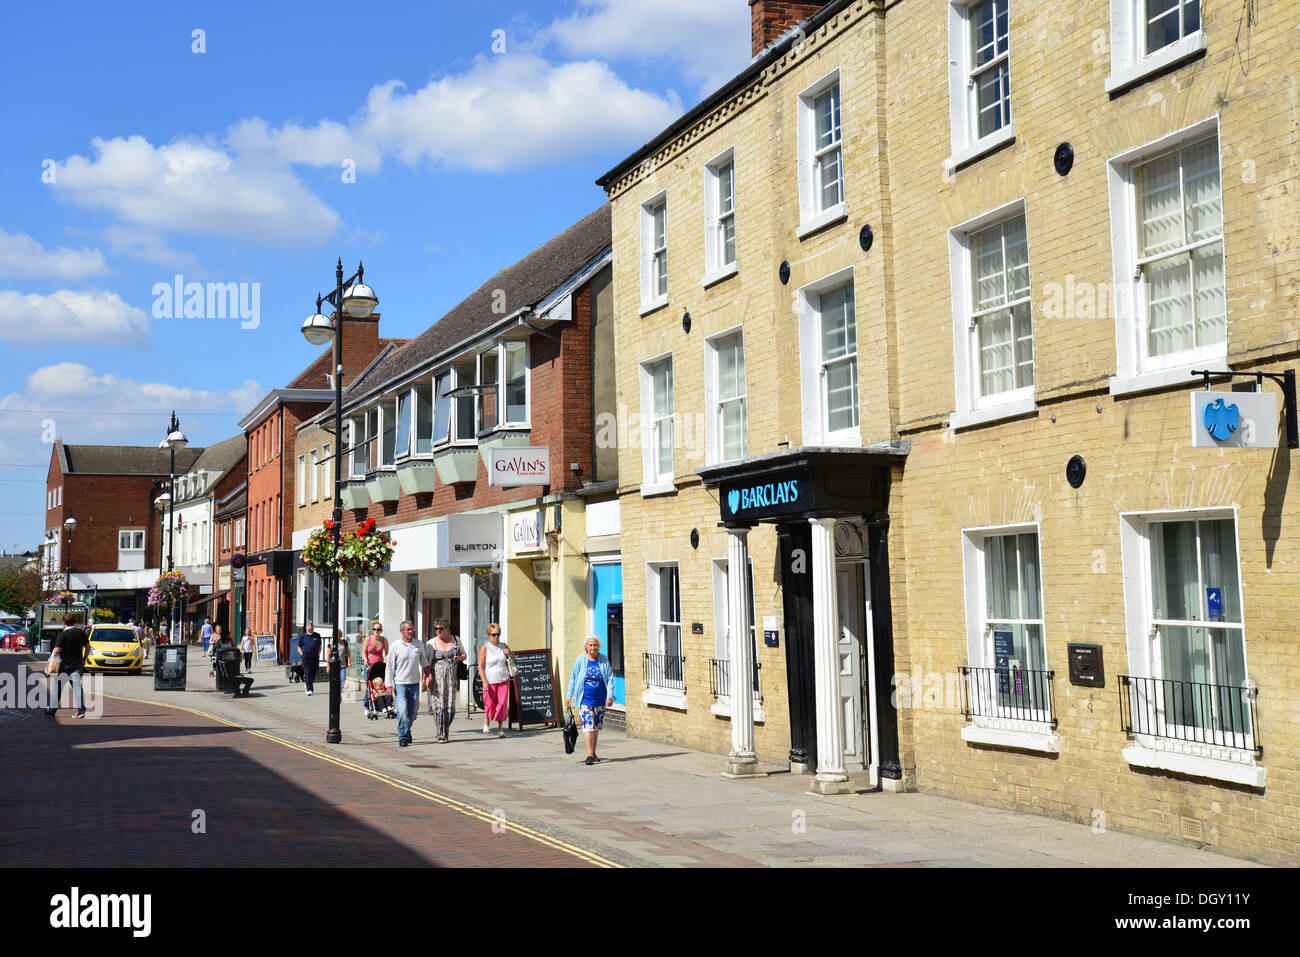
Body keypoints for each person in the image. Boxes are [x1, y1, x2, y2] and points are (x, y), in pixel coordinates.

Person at [566, 635, 615, 765]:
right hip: (585, 699)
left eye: (595, 645)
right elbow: (573, 678)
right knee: (588, 727)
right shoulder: (580, 660)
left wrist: (610, 695)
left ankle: (593, 752)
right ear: (586, 647)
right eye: (590, 645)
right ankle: (589, 755)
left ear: (598, 647)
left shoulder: (604, 660)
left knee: (596, 727)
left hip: (600, 699)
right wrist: (569, 695)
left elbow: (610, 678)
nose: (593, 647)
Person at [387, 620, 430, 747]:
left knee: (412, 713)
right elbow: (389, 667)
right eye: (408, 630)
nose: (411, 632)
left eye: (412, 629)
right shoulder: (395, 645)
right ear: (402, 631)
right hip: (400, 684)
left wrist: (429, 675)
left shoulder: (418, 644)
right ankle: (403, 737)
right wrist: (389, 684)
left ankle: (407, 729)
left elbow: (424, 662)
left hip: (414, 683)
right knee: (403, 710)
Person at [425, 617, 465, 743]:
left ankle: (444, 729)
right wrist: (426, 678)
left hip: (452, 680)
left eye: (441, 628)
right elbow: (426, 663)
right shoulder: (431, 643)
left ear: (447, 628)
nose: (438, 631)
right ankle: (441, 734)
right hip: (438, 681)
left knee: (451, 708)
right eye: (436, 629)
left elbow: (464, 655)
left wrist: (459, 658)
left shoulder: (456, 640)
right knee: (439, 706)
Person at [45, 613, 90, 718]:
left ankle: (52, 709)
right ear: (74, 622)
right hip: (77, 664)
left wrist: (51, 659)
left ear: (64, 623)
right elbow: (88, 647)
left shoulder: (62, 635)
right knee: (77, 687)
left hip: (64, 665)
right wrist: (84, 659)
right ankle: (81, 710)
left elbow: (57, 650)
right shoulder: (81, 633)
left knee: (58, 687)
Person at [476, 622, 514, 738]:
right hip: (490, 680)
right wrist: (484, 681)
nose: (496, 637)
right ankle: (487, 720)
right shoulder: (485, 648)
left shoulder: (503, 645)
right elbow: (481, 666)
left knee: (502, 704)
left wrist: (510, 653)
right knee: (490, 703)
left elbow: (514, 657)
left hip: (503, 678)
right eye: (493, 635)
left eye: (498, 634)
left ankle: (500, 729)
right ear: (489, 635)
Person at [362, 621, 388, 712]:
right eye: (374, 629)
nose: (376, 631)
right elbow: (363, 652)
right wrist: (365, 660)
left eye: (378, 629)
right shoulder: (368, 639)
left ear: (381, 630)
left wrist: (388, 661)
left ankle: (380, 705)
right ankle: (366, 706)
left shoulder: (384, 640)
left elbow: (387, 653)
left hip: (380, 666)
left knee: (380, 687)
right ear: (373, 630)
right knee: (369, 687)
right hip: (369, 666)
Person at [297, 621, 322, 696]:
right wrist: (302, 655)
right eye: (309, 629)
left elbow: (320, 646)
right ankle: (309, 689)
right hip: (306, 658)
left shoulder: (317, 636)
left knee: (313, 673)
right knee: (307, 673)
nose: (310, 630)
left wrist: (318, 654)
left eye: (311, 629)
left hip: (315, 657)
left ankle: (308, 684)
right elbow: (299, 647)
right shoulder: (302, 637)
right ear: (306, 629)